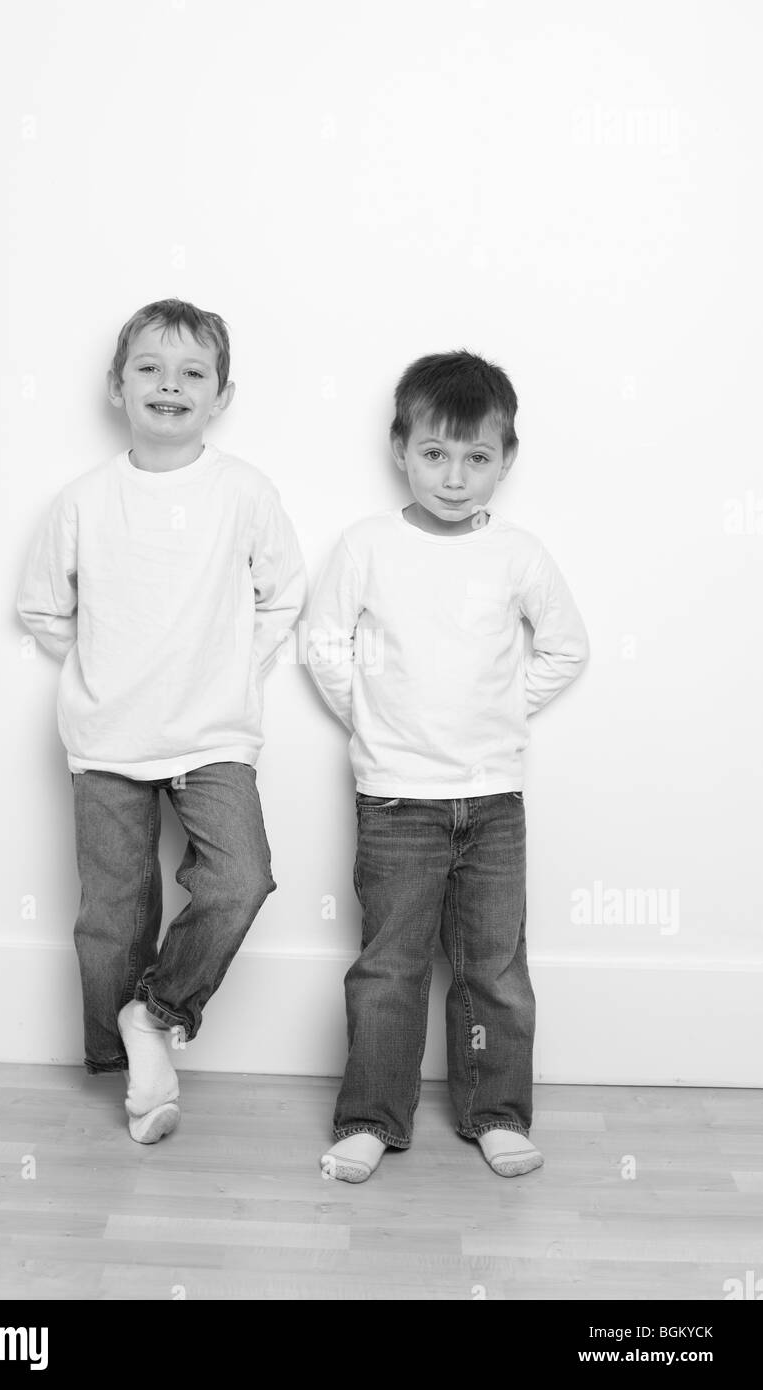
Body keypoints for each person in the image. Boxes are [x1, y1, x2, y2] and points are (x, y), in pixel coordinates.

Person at [17, 298, 306, 1143]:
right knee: (111, 913)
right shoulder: (83, 501)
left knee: (239, 879)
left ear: (220, 395)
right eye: (149, 368)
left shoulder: (243, 492)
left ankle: (157, 1012)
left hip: (212, 736)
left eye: (192, 373)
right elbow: (42, 608)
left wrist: (221, 665)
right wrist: (109, 669)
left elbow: (282, 593)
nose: (169, 385)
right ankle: (128, 1064)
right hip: (106, 738)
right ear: (117, 387)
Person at [306, 350, 589, 1181]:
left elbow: (565, 648)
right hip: (396, 801)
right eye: (435, 454)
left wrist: (500, 710)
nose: (455, 477)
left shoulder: (519, 555)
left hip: (494, 799)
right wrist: (379, 718)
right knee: (390, 966)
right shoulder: (366, 545)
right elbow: (325, 646)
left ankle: (495, 1111)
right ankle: (370, 1118)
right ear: (401, 448)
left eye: (477, 458)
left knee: (494, 968)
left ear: (506, 459)